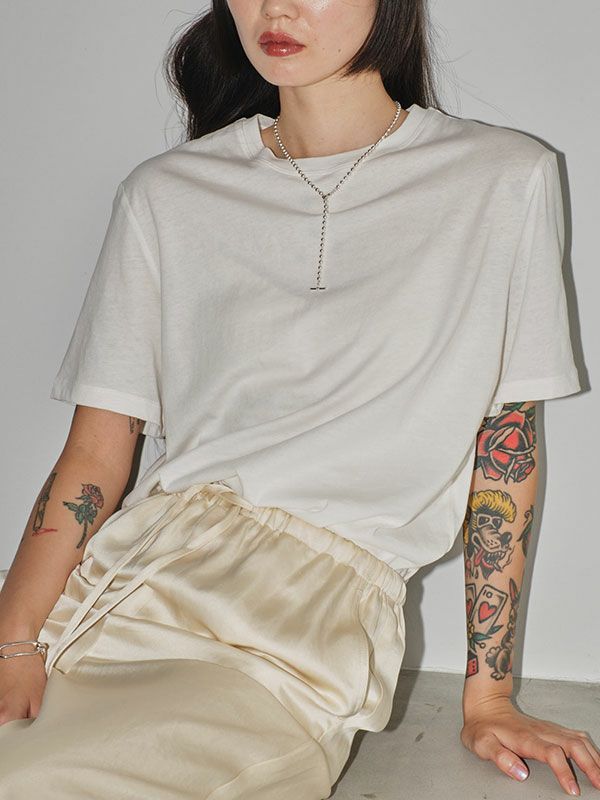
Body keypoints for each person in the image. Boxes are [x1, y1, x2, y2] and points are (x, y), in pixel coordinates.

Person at [0, 1, 597, 798]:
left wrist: (488, 698)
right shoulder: (167, 193)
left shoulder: (502, 177)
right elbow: (94, 456)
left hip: (302, 637)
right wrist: (13, 641)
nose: (275, 8)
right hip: (125, 588)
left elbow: (505, 451)